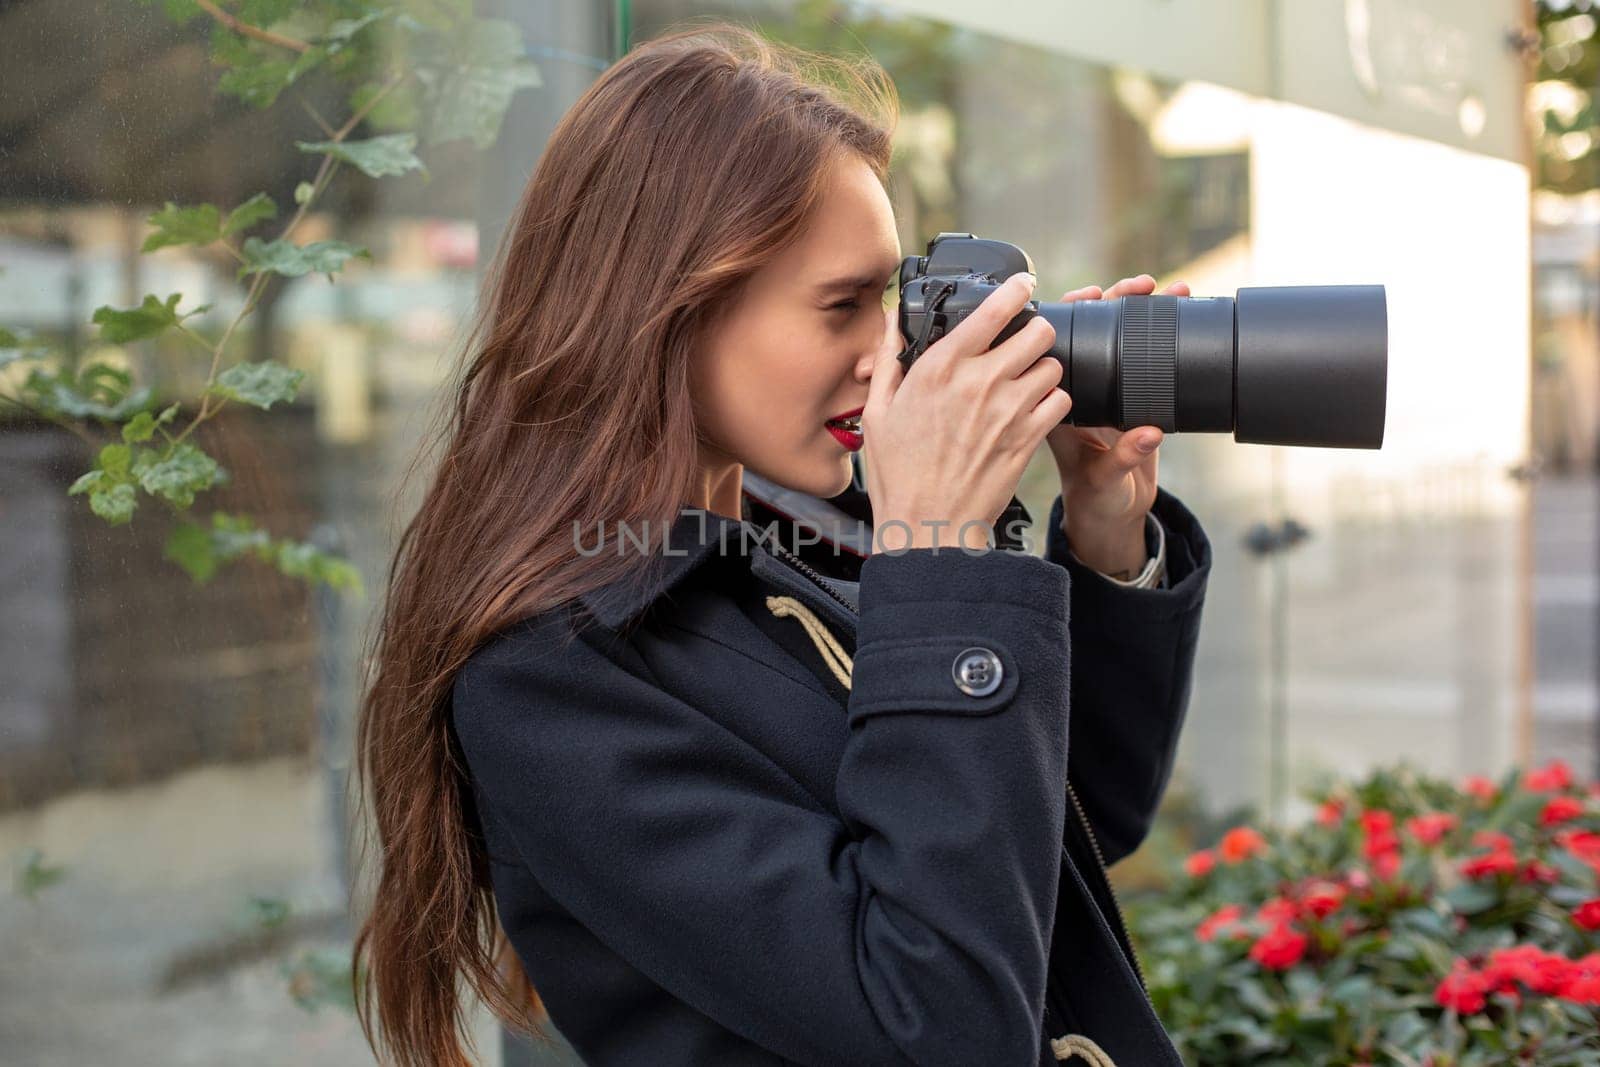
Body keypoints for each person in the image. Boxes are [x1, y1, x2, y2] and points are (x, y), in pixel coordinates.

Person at [353, 22, 1211, 1067]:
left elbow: (1071, 823)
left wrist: (1106, 530)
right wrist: (935, 555)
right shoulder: (550, 677)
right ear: (669, 310)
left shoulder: (811, 536)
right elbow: (933, 1024)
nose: (885, 353)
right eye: (841, 306)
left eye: (887, 301)